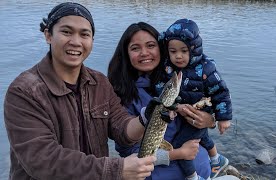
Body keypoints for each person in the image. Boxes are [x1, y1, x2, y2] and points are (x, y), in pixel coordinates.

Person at [4, 2, 158, 180]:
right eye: (67, 32)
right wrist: (117, 169)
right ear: (48, 35)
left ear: (92, 40)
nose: (76, 42)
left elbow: (121, 128)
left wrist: (146, 118)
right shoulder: (24, 91)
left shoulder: (99, 82)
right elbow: (44, 162)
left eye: (84, 34)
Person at [108, 22, 216, 180]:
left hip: (201, 171)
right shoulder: (120, 95)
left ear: (161, 48)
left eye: (151, 45)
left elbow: (211, 105)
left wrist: (209, 120)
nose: (144, 53)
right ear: (126, 54)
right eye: (135, 48)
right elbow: (129, 153)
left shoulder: (183, 80)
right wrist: (178, 154)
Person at [157, 18, 232, 179]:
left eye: (184, 51)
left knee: (179, 145)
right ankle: (216, 159)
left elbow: (221, 93)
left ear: (194, 49)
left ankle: (192, 177)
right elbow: (162, 88)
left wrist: (223, 118)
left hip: (198, 114)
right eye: (173, 51)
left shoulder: (206, 68)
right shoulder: (169, 68)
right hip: (186, 116)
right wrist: (172, 107)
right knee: (203, 136)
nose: (178, 56)